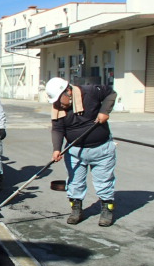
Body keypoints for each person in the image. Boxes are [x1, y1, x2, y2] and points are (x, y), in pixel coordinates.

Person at [45, 77, 117, 227]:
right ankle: (76, 210)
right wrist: (57, 149)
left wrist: (105, 111)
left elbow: (111, 93)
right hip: (75, 151)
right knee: (74, 182)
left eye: (59, 100)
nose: (58, 104)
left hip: (101, 149)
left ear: (68, 91)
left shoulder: (90, 92)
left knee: (104, 182)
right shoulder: (58, 109)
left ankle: (107, 210)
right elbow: (58, 129)